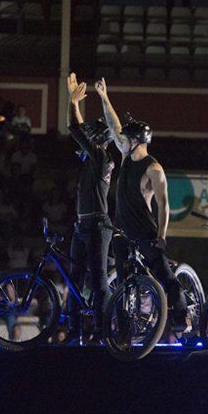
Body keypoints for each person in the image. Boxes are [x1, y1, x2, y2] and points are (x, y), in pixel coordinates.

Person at [93, 77, 189, 332]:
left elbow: (164, 203)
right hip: (122, 231)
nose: (121, 141)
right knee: (123, 282)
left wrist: (162, 235)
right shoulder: (125, 157)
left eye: (127, 139)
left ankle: (181, 314)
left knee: (165, 275)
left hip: (146, 232)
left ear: (137, 140)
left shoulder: (154, 169)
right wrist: (105, 97)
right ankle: (124, 328)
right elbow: (114, 127)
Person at [64, 73, 115, 344]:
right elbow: (78, 133)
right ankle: (74, 331)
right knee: (74, 280)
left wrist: (73, 104)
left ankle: (101, 330)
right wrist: (73, 105)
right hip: (83, 225)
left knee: (98, 281)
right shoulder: (93, 157)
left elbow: (76, 131)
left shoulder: (101, 156)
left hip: (97, 226)